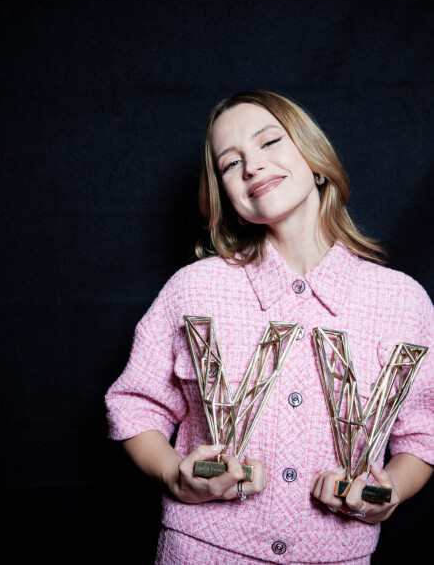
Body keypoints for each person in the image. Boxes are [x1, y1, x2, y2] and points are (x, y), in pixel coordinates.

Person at [105, 90, 433, 564]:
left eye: (269, 142)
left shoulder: (404, 301)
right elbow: (136, 406)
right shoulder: (194, 289)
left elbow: (423, 436)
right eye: (229, 163)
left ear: (314, 157)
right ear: (225, 195)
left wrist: (385, 494)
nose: (252, 167)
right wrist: (176, 474)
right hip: (201, 552)